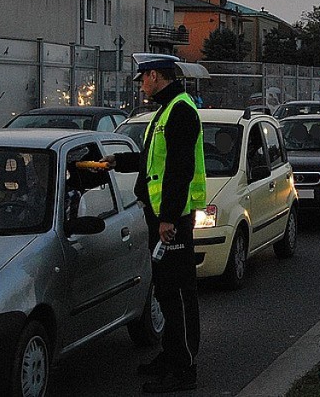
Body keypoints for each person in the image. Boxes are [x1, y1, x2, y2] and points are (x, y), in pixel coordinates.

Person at [100, 53, 206, 394]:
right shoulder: (166, 110)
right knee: (164, 290)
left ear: (156, 76)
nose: (141, 86)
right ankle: (171, 355)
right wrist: (118, 161)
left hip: (171, 221)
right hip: (162, 216)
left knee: (176, 293)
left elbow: (179, 170)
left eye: (143, 79)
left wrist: (168, 219)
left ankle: (184, 368)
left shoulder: (181, 111)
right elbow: (152, 162)